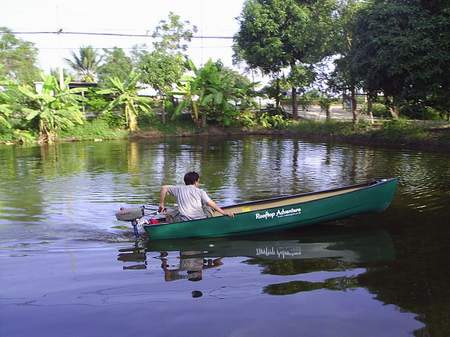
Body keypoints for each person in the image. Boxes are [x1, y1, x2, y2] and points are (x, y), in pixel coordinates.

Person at [159, 171, 234, 221]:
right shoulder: (200, 192)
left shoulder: (179, 189)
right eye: (198, 181)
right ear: (196, 182)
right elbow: (211, 203)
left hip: (184, 220)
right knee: (207, 206)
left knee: (172, 211)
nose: (199, 183)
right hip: (200, 220)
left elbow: (164, 188)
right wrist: (224, 213)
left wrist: (161, 204)